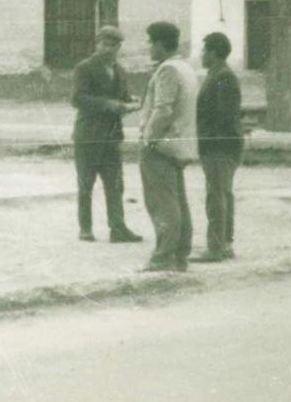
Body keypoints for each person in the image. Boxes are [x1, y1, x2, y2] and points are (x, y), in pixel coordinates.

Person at [71, 25, 143, 243]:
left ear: (119, 47)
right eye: (104, 44)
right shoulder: (84, 68)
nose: (107, 49)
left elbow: (121, 95)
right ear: (97, 44)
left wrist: (131, 101)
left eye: (112, 45)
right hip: (88, 136)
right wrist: (111, 105)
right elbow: (78, 99)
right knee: (86, 184)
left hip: (111, 137)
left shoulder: (120, 71)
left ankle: (118, 228)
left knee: (115, 185)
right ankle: (86, 229)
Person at [138, 21, 199, 273]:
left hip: (161, 146)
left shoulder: (167, 70)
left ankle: (163, 258)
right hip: (178, 145)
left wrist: (149, 138)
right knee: (177, 202)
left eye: (150, 41)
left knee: (162, 203)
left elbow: (163, 110)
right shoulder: (185, 67)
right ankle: (180, 256)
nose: (148, 46)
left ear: (161, 44)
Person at [192, 31, 243, 263]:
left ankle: (215, 247)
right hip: (222, 143)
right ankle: (225, 244)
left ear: (213, 52)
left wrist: (205, 138)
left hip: (219, 146)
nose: (201, 55)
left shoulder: (222, 76)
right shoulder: (219, 74)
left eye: (204, 50)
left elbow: (223, 115)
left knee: (216, 196)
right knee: (223, 194)